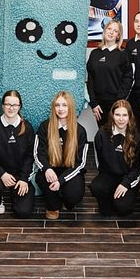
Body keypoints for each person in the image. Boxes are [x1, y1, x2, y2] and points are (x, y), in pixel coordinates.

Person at [0, 90, 36, 218]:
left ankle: (14, 194)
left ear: (20, 106)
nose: (11, 108)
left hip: (19, 175)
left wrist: (24, 179)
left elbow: (31, 156)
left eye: (15, 105)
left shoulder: (27, 127)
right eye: (8, 104)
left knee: (23, 212)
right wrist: (2, 174)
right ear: (2, 106)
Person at [34, 91, 89, 219]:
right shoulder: (45, 126)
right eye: (57, 105)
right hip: (51, 169)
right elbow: (38, 153)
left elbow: (80, 163)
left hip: (70, 170)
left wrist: (61, 180)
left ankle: (64, 193)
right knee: (44, 182)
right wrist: (47, 169)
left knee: (72, 198)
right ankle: (53, 203)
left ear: (71, 107)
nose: (60, 109)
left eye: (64, 105)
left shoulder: (80, 131)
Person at [90, 99, 140, 216]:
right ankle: (109, 197)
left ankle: (126, 194)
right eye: (117, 115)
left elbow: (138, 167)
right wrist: (103, 177)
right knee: (97, 187)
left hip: (128, 177)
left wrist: (126, 183)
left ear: (130, 117)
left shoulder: (137, 136)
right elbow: (99, 161)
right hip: (108, 175)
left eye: (124, 115)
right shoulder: (102, 133)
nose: (121, 119)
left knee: (123, 208)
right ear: (112, 115)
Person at [86, 19, 133, 128]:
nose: (111, 32)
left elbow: (128, 78)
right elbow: (90, 80)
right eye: (109, 29)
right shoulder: (94, 53)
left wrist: (119, 102)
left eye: (115, 31)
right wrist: (94, 103)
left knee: (116, 132)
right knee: (103, 132)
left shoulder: (123, 53)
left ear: (118, 36)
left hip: (116, 104)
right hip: (99, 105)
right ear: (104, 31)